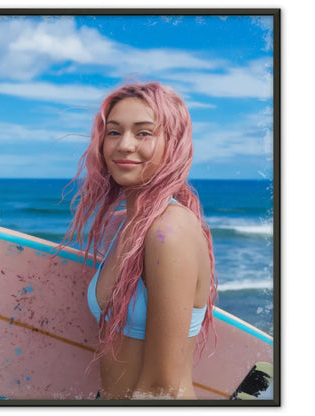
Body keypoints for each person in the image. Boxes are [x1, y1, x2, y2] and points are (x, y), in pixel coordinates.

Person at [60, 81, 217, 400]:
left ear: (173, 144)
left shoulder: (169, 232)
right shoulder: (133, 223)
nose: (124, 146)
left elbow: (164, 389)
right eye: (114, 132)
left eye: (143, 133)